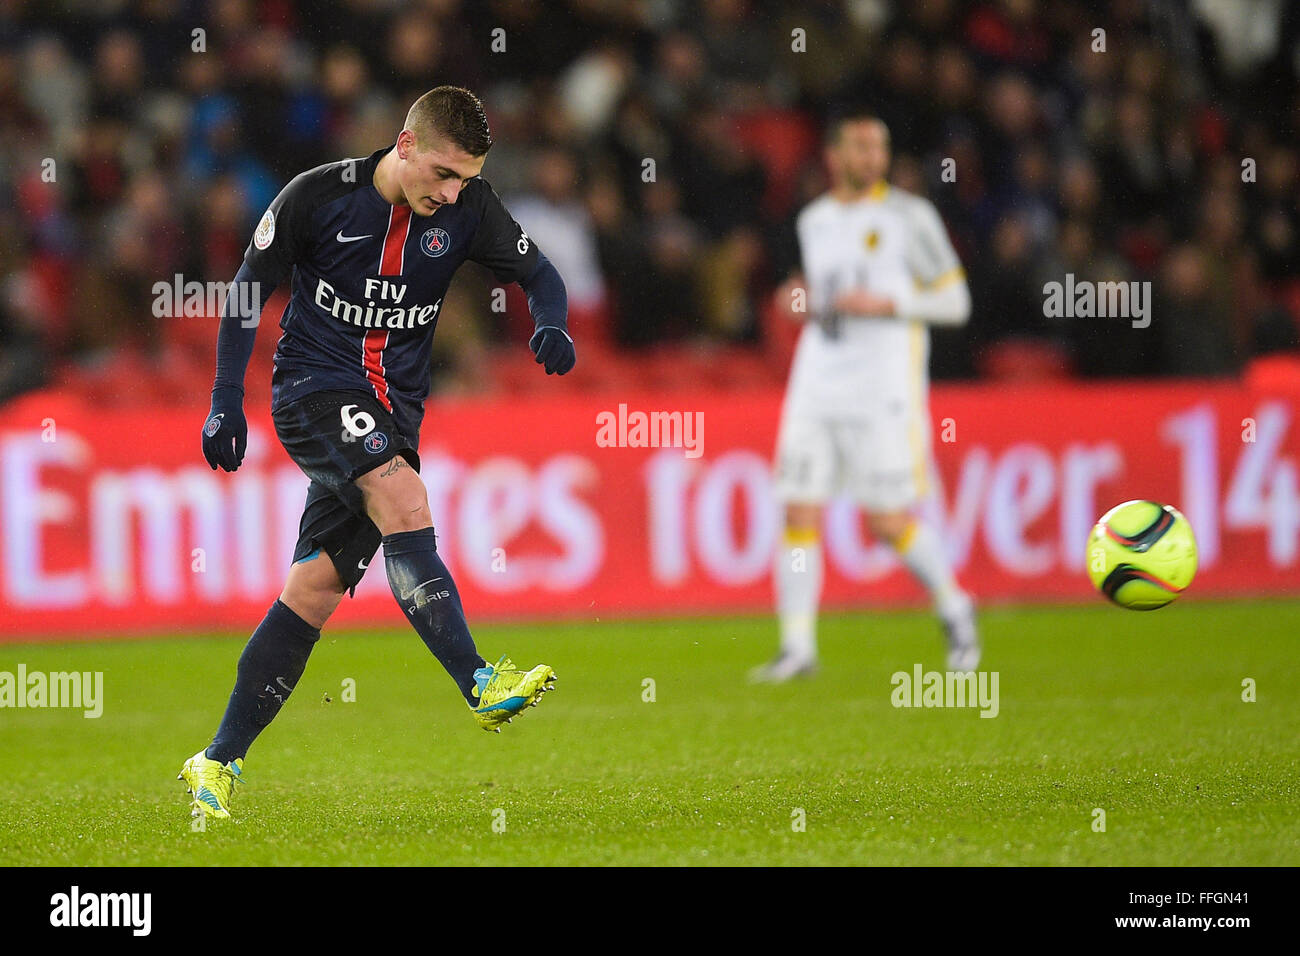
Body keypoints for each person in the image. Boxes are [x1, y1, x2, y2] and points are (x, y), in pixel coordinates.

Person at [179, 87, 575, 820]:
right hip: (311, 390)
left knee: (315, 589)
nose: (454, 193)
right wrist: (225, 397)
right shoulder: (317, 199)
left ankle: (216, 759)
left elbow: (540, 275)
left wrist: (551, 324)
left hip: (392, 415)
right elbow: (246, 292)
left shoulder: (471, 210)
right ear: (405, 145)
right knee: (404, 499)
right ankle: (479, 682)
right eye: (444, 175)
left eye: (467, 179)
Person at [754, 114, 978, 683]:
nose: (873, 156)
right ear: (834, 155)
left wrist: (891, 302)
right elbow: (818, 297)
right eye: (860, 146)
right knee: (798, 509)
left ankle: (954, 605)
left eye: (880, 146)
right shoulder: (815, 220)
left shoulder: (910, 217)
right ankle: (797, 646)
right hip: (816, 381)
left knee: (885, 519)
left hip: (883, 390)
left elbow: (955, 302)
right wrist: (796, 300)